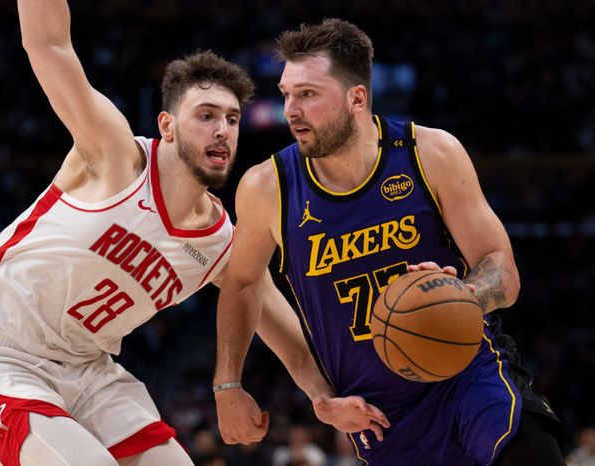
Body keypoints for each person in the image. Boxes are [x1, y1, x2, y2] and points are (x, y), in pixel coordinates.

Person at [0, 4, 387, 465]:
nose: (222, 131)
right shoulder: (113, 155)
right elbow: (49, 45)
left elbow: (288, 338)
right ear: (167, 126)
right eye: (206, 115)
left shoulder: (220, 243)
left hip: (88, 374)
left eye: (232, 119)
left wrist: (324, 398)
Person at [214, 18, 565, 466]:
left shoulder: (431, 154)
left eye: (307, 94)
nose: (291, 110)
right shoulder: (268, 187)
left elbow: (502, 269)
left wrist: (462, 295)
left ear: (357, 98)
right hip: (379, 416)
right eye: (286, 94)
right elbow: (243, 282)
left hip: (469, 379)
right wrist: (231, 385)